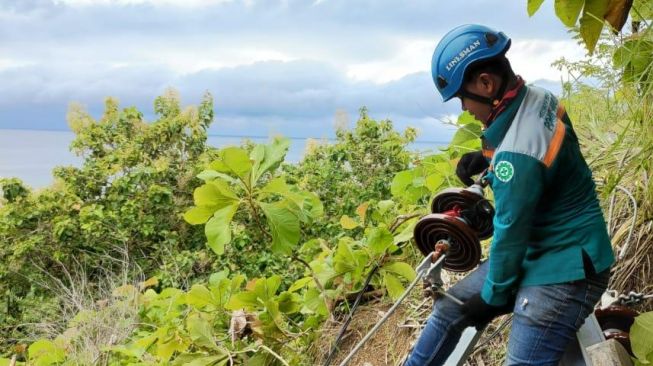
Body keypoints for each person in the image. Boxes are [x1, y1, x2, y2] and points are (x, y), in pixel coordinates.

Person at [404, 24, 615, 366]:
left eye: (462, 97)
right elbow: (537, 166)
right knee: (449, 310)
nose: (463, 108)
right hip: (540, 249)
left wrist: (490, 298)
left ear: (486, 84)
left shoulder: (517, 156)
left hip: (566, 269)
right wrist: (488, 161)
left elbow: (510, 231)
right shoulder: (539, 98)